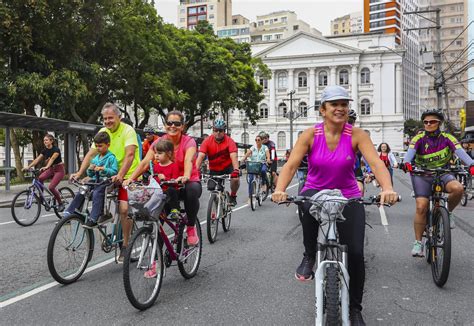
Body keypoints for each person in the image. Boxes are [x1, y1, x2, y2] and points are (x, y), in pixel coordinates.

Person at [272, 85, 398, 325]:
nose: (340, 108)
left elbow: (376, 164)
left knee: (357, 253)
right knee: (304, 204)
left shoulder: (357, 135)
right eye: (334, 104)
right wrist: (279, 190)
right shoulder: (310, 135)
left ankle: (355, 310)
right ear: (323, 110)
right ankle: (310, 254)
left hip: (348, 194)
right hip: (315, 191)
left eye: (344, 104)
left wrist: (387, 188)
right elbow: (290, 166)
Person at [70, 103, 140, 262]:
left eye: (111, 118)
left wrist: (121, 175)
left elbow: (130, 155)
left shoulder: (128, 131)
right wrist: (80, 173)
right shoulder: (103, 132)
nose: (107, 121)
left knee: (123, 209)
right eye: (105, 118)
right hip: (105, 175)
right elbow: (90, 154)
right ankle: (90, 214)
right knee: (88, 190)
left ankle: (126, 246)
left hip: (126, 174)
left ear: (119, 117)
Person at [402, 109, 474, 256]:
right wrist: (406, 163)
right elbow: (409, 155)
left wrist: (471, 164)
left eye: (432, 121)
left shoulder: (448, 138)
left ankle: (448, 212)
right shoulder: (418, 138)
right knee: (421, 206)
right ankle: (418, 243)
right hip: (422, 175)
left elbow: (461, 153)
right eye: (426, 122)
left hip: (443, 173)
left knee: (458, 188)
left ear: (439, 123)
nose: (428, 124)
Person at [124, 111, 202, 246]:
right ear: (165, 125)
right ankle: (155, 262)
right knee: (154, 219)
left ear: (182, 126)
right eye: (169, 123)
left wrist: (186, 176)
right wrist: (131, 178)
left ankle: (190, 227)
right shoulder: (159, 142)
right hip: (165, 185)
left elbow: (188, 160)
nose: (172, 126)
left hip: (185, 182)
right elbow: (144, 163)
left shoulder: (189, 142)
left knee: (192, 190)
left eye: (177, 123)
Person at [65, 132, 118, 228]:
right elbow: (91, 174)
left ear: (108, 145)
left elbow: (114, 171)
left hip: (105, 182)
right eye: (96, 146)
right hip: (95, 180)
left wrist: (103, 169)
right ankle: (71, 211)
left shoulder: (111, 157)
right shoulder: (96, 158)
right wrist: (90, 169)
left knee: (97, 193)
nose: (98, 148)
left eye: (100, 146)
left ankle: (94, 218)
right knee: (83, 189)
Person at [195, 119, 240, 206]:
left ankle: (233, 196)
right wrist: (196, 170)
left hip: (227, 167)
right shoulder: (207, 141)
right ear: (213, 130)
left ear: (224, 131)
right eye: (215, 130)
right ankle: (215, 207)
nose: (218, 132)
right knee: (212, 188)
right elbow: (200, 156)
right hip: (214, 169)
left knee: (235, 179)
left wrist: (236, 170)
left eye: (220, 130)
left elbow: (233, 156)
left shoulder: (229, 141)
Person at [23, 134, 66, 211]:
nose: (44, 142)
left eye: (46, 140)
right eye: (44, 140)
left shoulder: (56, 150)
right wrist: (28, 167)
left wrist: (46, 167)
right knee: (40, 178)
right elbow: (37, 160)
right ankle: (41, 198)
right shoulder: (44, 150)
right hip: (51, 169)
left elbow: (52, 159)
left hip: (59, 170)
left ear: (51, 141)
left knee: (51, 187)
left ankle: (60, 203)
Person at [152, 139, 180, 217]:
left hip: (171, 192)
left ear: (169, 154)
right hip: (160, 192)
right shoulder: (156, 167)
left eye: (160, 153)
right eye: (155, 153)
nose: (156, 155)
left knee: (171, 190)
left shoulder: (173, 166)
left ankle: (175, 209)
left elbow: (175, 181)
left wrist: (165, 179)